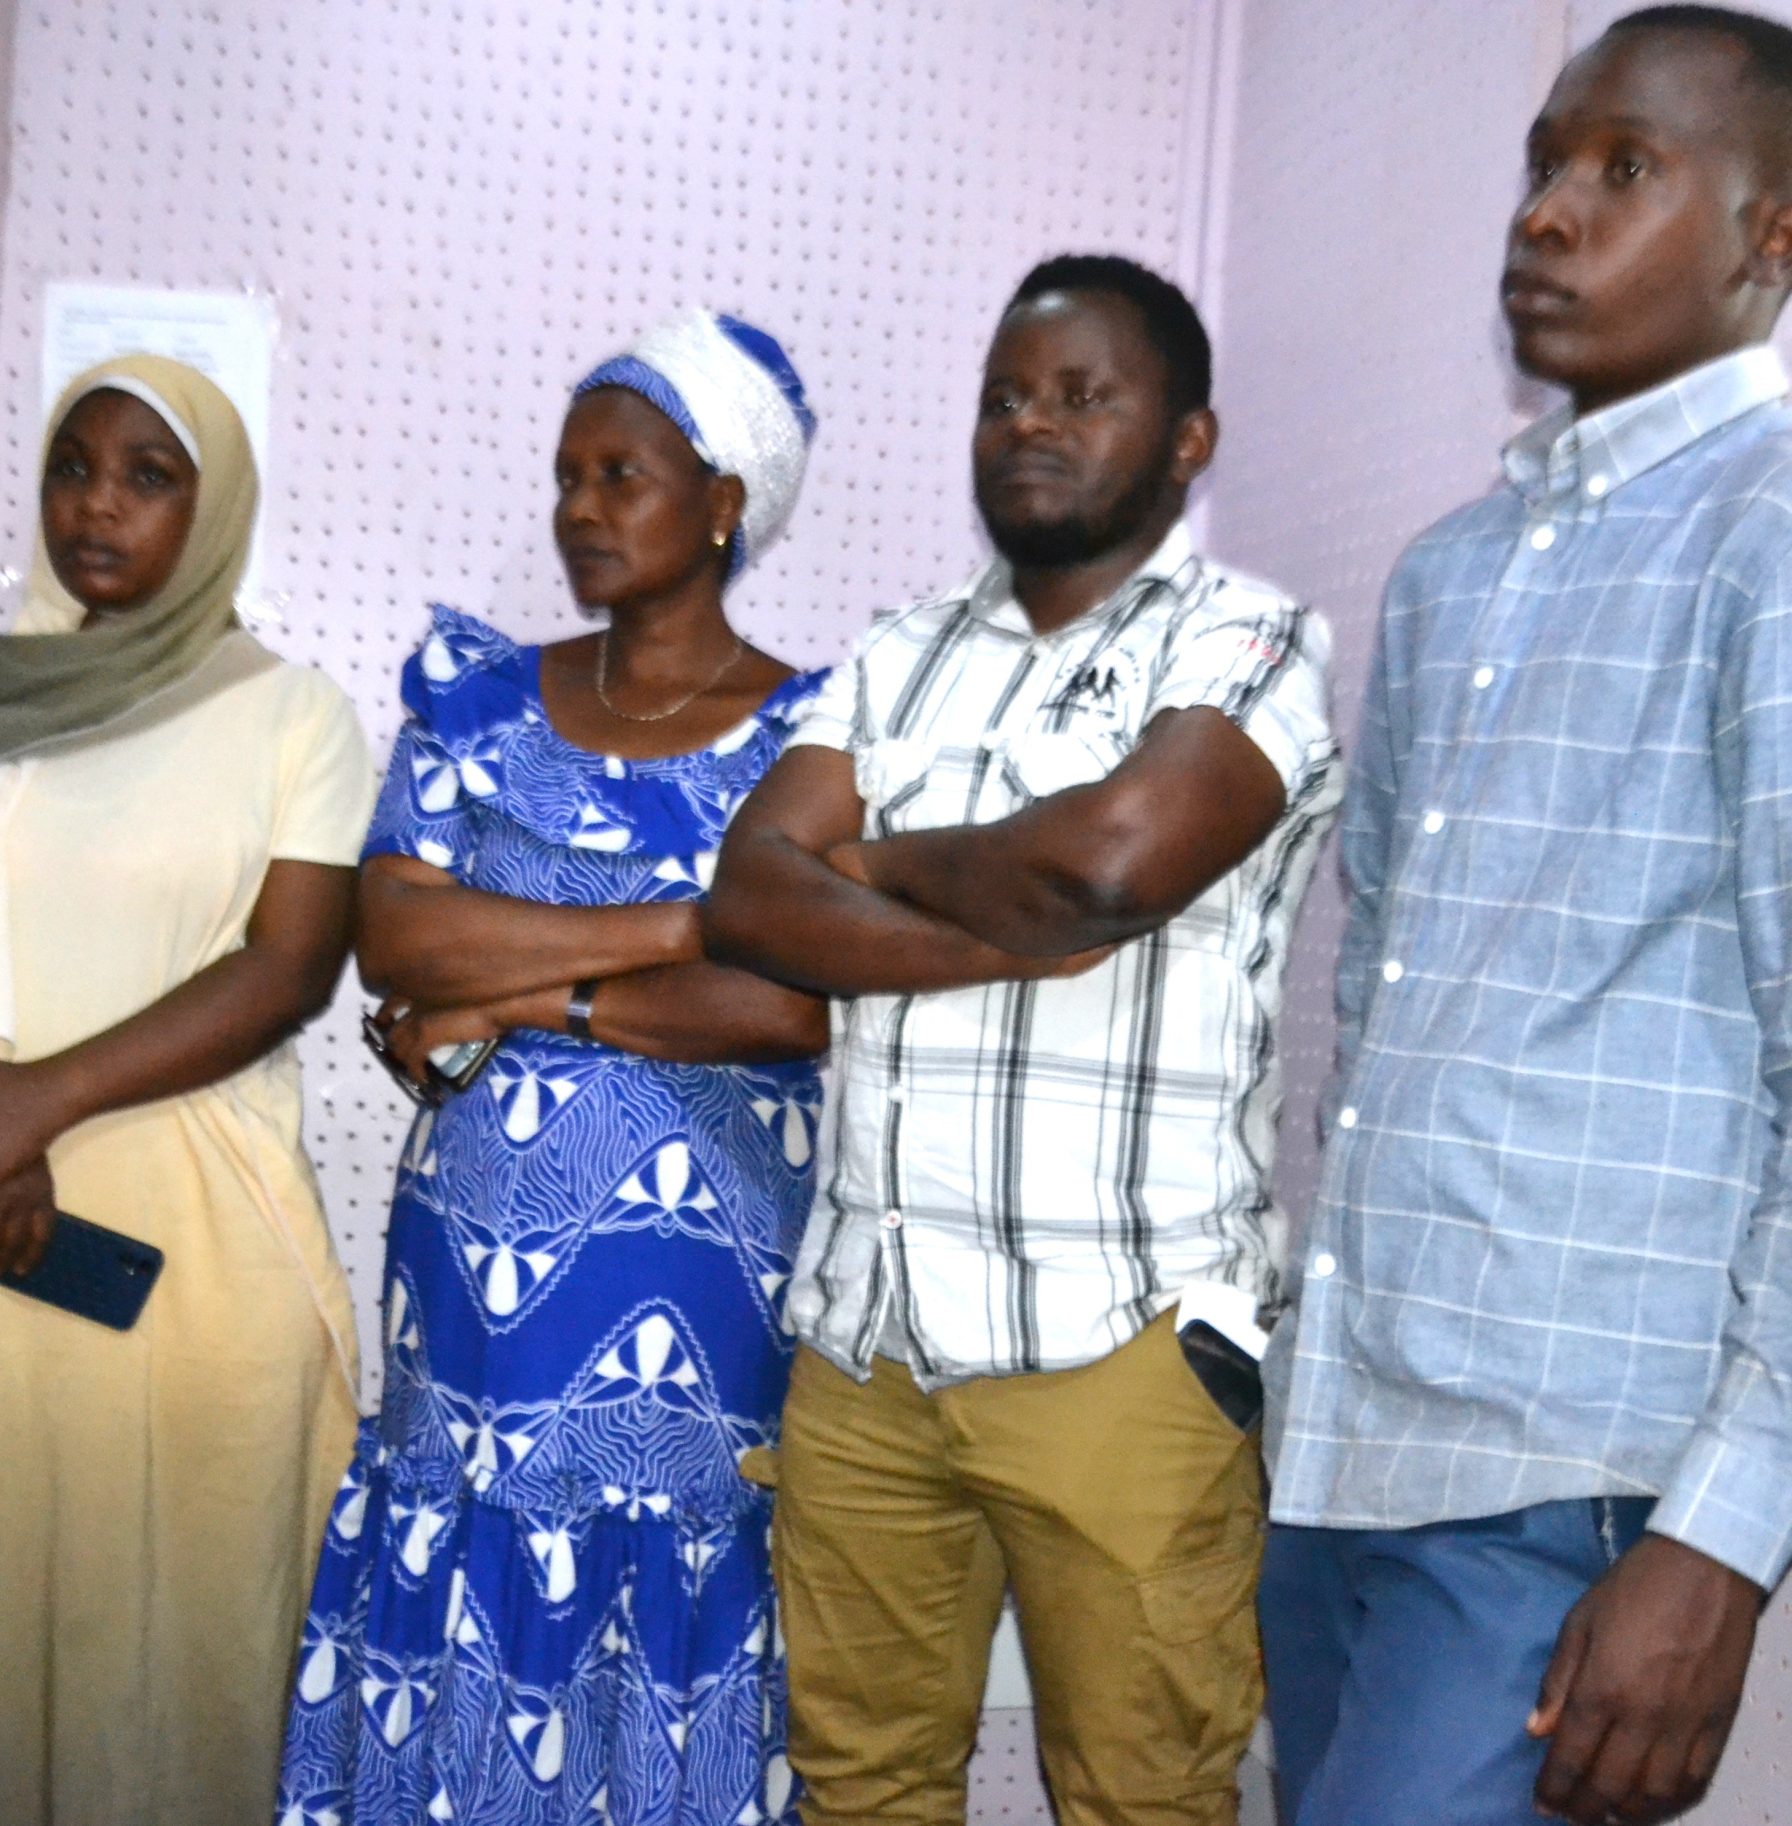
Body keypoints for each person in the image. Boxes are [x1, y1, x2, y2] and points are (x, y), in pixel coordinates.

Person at [1257, 11, 1792, 1826]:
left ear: (1773, 235)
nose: (1546, 213)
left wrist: (1719, 1543)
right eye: (1545, 163)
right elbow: (1386, 1006)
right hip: (1343, 1457)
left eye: (1625, 170)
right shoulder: (1452, 573)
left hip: (1575, 1500)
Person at [705, 255, 1340, 1826]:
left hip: (1122, 1344)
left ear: (1189, 440)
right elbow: (749, 894)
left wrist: (870, 862)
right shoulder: (898, 650)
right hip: (869, 1344)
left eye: (1079, 394)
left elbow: (1115, 863)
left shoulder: (1251, 642)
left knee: (1141, 1798)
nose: (1030, 425)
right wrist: (1015, 918)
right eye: (1003, 398)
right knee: (862, 1791)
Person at [279, 311, 831, 1826]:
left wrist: (532, 994)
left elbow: (794, 1002)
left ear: (722, 502)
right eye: (566, 477)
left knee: (673, 1594)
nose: (579, 508)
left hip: (706, 1291)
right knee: (471, 1561)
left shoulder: (815, 735)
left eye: (620, 475)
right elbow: (396, 933)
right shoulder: (476, 698)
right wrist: (686, 923)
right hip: (474, 1291)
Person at [0, 354, 371, 1826]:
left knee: (177, 1678)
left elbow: (289, 966)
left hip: (187, 1254)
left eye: (147, 475)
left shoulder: (292, 715)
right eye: (73, 466)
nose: (98, 504)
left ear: (217, 504)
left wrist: (31, 1104)